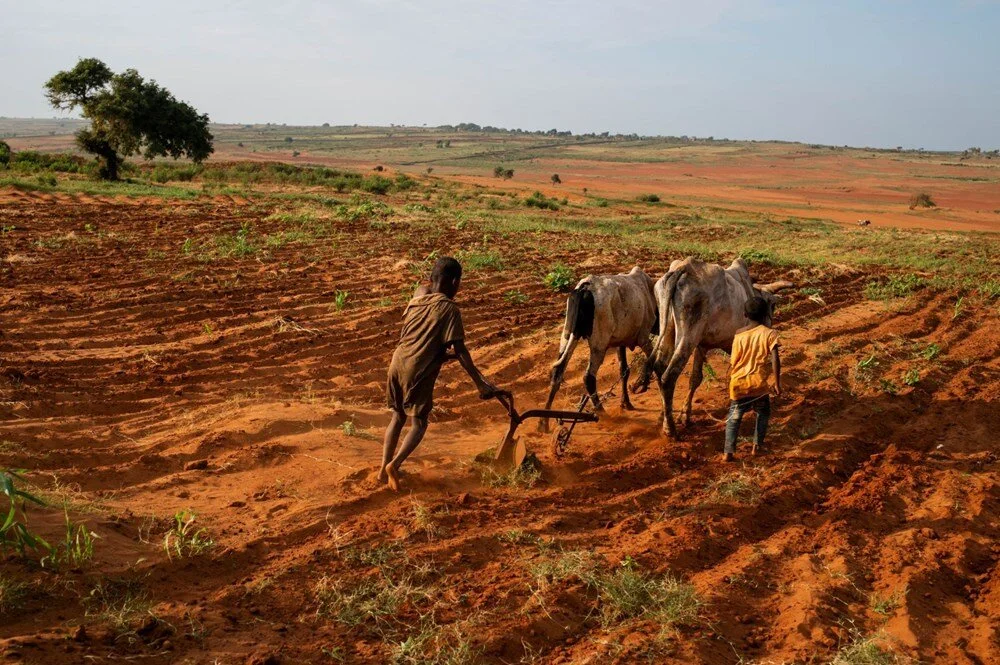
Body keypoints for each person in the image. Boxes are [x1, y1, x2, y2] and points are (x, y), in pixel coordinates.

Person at [380, 256, 506, 490]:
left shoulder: (419, 293)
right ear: (455, 282)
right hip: (417, 370)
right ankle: (394, 466)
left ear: (431, 278)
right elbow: (460, 351)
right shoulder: (449, 309)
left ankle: (382, 470)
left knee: (397, 417)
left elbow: (423, 337)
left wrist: (438, 354)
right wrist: (480, 383)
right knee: (419, 423)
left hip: (396, 363)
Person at [723, 296, 782, 462]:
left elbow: (733, 360)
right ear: (766, 315)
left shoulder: (739, 335)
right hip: (759, 385)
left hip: (738, 383)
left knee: (734, 418)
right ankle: (757, 447)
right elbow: (775, 358)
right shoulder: (770, 334)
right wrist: (777, 383)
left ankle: (728, 452)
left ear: (744, 314)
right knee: (763, 413)